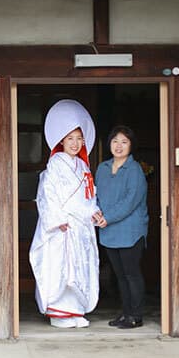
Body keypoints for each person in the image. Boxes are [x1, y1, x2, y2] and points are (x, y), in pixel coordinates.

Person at [29, 100, 103, 329]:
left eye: (78, 138)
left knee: (80, 267)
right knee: (62, 267)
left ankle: (76, 310)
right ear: (61, 140)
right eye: (70, 138)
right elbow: (46, 196)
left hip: (81, 226)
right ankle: (58, 312)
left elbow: (88, 197)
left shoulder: (83, 168)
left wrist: (95, 212)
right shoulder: (54, 166)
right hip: (62, 226)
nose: (74, 143)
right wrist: (58, 220)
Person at [94, 125, 149, 329]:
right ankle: (126, 314)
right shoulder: (103, 168)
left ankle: (136, 315)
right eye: (115, 141)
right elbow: (97, 195)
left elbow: (130, 201)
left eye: (124, 142)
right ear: (109, 143)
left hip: (130, 231)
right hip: (109, 230)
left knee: (131, 273)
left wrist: (107, 217)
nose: (119, 146)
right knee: (120, 275)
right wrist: (97, 212)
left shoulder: (134, 170)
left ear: (131, 146)